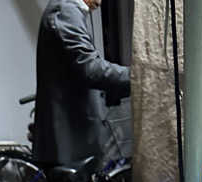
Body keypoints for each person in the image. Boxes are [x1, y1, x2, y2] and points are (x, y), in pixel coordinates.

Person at [34, 0, 130, 166]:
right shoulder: (65, 11)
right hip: (70, 140)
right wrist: (137, 77)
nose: (100, 3)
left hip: (71, 136)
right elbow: (90, 68)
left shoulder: (67, 10)